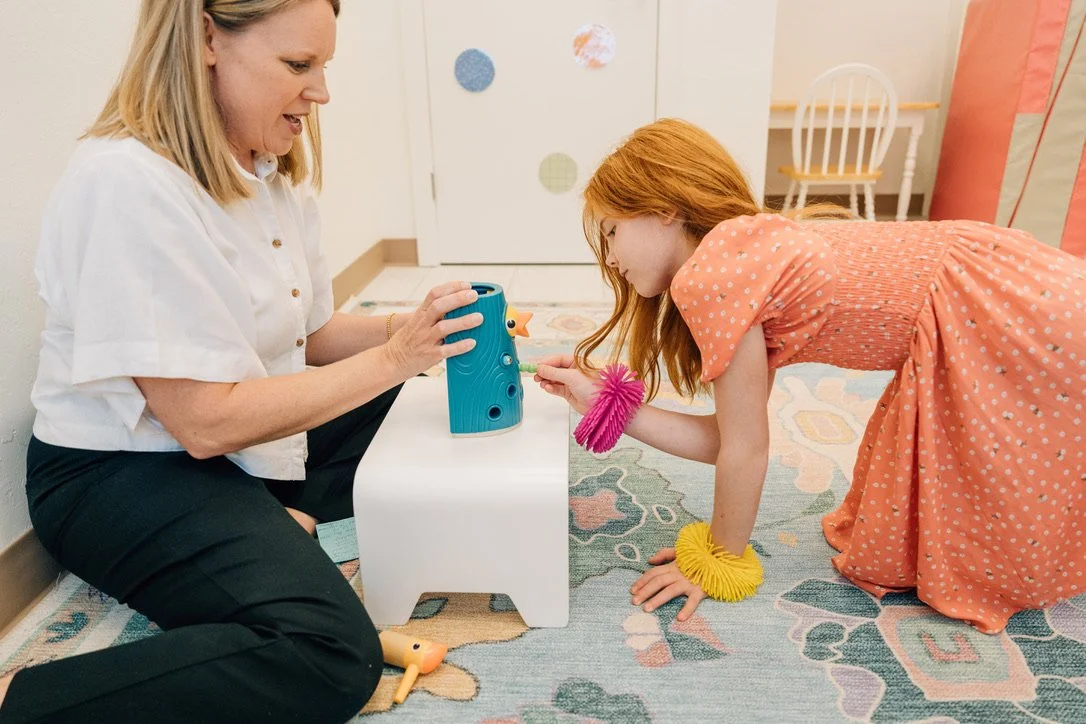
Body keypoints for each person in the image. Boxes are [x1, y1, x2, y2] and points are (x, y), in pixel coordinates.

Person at [0, 1, 483, 721]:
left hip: (233, 441)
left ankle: (264, 511)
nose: (320, 93)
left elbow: (312, 337)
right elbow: (202, 423)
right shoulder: (126, 183)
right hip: (122, 472)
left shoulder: (268, 170)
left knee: (425, 407)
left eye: (323, 67)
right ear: (205, 40)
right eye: (298, 65)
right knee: (328, 652)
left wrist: (428, 332)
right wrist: (393, 355)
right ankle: (23, 699)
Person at [533, 118, 1085, 634]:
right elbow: (725, 440)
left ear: (664, 211)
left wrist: (719, 559)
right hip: (998, 281)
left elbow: (746, 451)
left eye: (610, 232)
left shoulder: (711, 276)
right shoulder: (742, 254)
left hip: (995, 310)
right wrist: (600, 399)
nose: (609, 258)